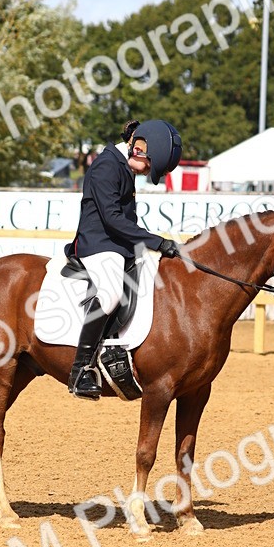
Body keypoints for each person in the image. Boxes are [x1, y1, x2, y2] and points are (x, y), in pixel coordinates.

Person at [64, 119, 183, 399]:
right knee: (110, 293)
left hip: (120, 245)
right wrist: (157, 242)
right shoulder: (107, 166)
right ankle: (81, 370)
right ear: (139, 148)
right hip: (98, 244)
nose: (147, 173)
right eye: (149, 167)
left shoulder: (123, 166)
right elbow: (113, 220)